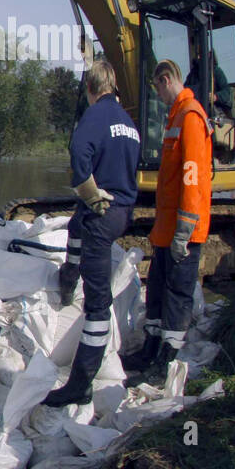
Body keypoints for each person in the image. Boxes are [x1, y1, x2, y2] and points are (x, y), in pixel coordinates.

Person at [46, 61, 140, 407]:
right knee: (76, 223)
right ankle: (69, 274)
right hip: (121, 212)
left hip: (103, 217)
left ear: (90, 89)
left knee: (98, 305)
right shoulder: (128, 122)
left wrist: (89, 192)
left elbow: (77, 153)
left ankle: (80, 383)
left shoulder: (96, 116)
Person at [134, 59, 212, 379]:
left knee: (178, 295)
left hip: (182, 231)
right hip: (166, 230)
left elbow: (192, 179)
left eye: (156, 87)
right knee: (157, 291)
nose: (157, 94)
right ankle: (150, 349)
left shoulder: (190, 116)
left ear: (166, 80)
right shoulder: (175, 116)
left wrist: (184, 230)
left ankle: (167, 361)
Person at [185, 51, 234, 119]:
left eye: (201, 54)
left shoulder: (216, 72)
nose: (199, 57)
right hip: (196, 112)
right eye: (198, 54)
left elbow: (226, 92)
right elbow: (185, 90)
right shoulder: (192, 74)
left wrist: (215, 97)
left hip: (215, 114)